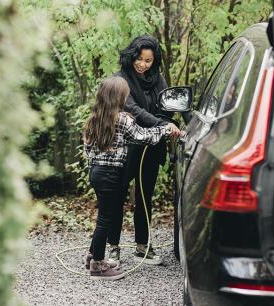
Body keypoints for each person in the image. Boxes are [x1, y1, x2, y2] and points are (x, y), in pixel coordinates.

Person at [83, 76, 177, 280]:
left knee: (103, 215)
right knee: (105, 220)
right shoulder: (123, 120)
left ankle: (92, 255)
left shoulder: (93, 119)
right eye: (125, 95)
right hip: (111, 175)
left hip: (96, 173)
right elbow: (143, 136)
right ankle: (98, 266)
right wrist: (164, 129)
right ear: (119, 97)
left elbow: (87, 150)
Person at [107, 35, 181, 266]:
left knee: (144, 197)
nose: (142, 64)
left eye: (148, 60)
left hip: (151, 147)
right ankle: (113, 248)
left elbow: (168, 107)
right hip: (125, 149)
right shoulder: (120, 80)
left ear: (154, 61)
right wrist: (162, 124)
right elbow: (134, 110)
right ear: (132, 56)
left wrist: (165, 121)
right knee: (117, 196)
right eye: (139, 59)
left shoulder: (157, 78)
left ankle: (142, 247)